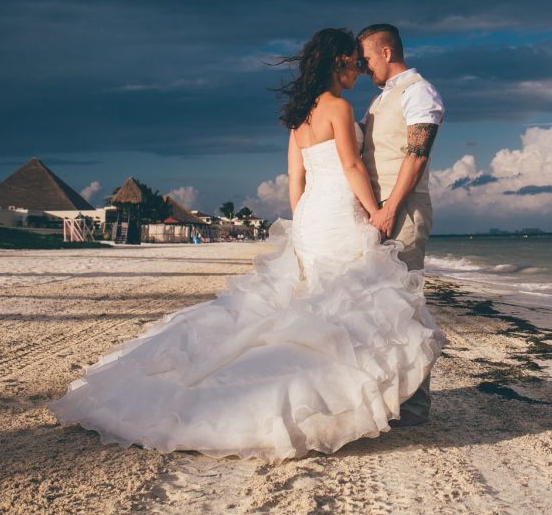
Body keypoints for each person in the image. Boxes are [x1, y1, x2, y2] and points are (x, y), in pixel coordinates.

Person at [48, 28, 445, 461]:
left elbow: (297, 181)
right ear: (337, 63)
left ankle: (388, 400)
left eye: (362, 60)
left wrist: (302, 222)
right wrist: (372, 212)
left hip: (313, 214)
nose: (358, 67)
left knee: (319, 303)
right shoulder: (341, 106)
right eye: (353, 61)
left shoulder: (303, 115)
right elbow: (351, 165)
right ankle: (363, 401)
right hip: (341, 211)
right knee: (353, 304)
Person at [357, 23, 444, 426]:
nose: (364, 66)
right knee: (379, 305)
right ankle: (392, 396)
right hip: (381, 209)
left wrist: (391, 207)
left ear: (387, 53)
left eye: (368, 58)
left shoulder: (418, 91)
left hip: (404, 208)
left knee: (406, 304)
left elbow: (417, 155)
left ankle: (414, 406)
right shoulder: (381, 98)